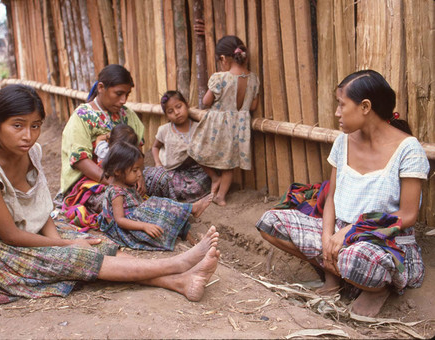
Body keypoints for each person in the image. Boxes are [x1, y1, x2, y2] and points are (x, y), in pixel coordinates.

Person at [0, 84, 221, 307]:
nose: (28, 136)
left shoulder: (31, 152)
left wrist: (63, 240)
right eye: (17, 125)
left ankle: (181, 281)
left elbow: (40, 209)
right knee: (73, 257)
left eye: (36, 125)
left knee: (94, 243)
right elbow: (10, 236)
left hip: (21, 228)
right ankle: (177, 265)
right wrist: (64, 246)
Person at [255, 70, 430, 317]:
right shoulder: (342, 141)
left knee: (355, 258)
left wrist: (351, 230)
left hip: (381, 241)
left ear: (365, 107)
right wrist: (328, 237)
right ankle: (337, 277)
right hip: (340, 234)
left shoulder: (408, 149)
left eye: (341, 105)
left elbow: (408, 215)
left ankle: (375, 288)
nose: (337, 113)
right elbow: (332, 198)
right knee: (270, 222)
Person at [60, 64, 145, 229]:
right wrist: (114, 183)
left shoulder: (128, 115)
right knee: (117, 202)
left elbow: (138, 151)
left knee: (160, 177)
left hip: (128, 176)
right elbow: (80, 160)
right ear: (101, 88)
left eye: (127, 95)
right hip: (91, 182)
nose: (123, 100)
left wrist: (139, 176)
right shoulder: (82, 116)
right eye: (119, 94)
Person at [100, 141, 214, 250]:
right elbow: (120, 220)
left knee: (163, 210)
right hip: (127, 230)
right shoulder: (116, 192)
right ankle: (192, 209)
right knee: (156, 204)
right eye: (135, 170)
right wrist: (145, 226)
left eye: (139, 169)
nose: (140, 174)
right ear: (118, 171)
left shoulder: (128, 184)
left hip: (137, 219)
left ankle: (190, 238)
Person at [188, 35, 260, 206]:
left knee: (194, 149)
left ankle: (214, 177)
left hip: (218, 125)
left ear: (223, 58)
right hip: (239, 127)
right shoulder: (253, 79)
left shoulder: (220, 78)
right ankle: (221, 196)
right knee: (229, 164)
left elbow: (206, 102)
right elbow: (253, 106)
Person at [63, 124, 140, 230]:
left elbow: (99, 138)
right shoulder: (106, 152)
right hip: (103, 180)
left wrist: (108, 136)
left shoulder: (104, 148)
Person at [144, 90, 211, 202]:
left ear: (187, 104)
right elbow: (155, 147)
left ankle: (171, 193)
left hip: (194, 171)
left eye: (179, 107)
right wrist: (157, 163)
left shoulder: (197, 128)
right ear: (167, 115)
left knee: (200, 183)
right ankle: (174, 192)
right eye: (170, 111)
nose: (176, 112)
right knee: (158, 179)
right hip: (171, 171)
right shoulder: (164, 130)